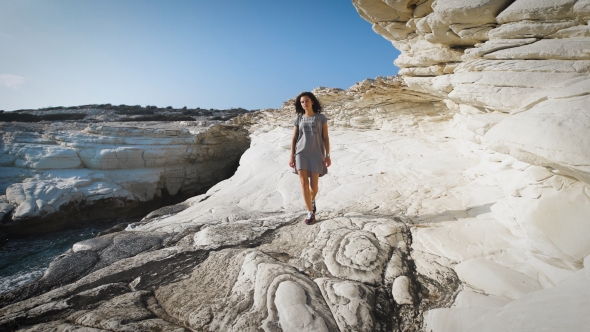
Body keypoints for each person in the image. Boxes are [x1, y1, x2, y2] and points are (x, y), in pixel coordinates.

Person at [289, 91, 331, 225]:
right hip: (301, 153)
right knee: (303, 184)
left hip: (317, 154)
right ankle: (309, 212)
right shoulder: (299, 118)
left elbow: (326, 137)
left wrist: (328, 155)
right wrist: (292, 155)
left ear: (312, 101)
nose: (304, 103)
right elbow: (294, 138)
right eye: (302, 102)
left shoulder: (321, 118)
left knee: (314, 186)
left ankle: (312, 201)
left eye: (307, 101)